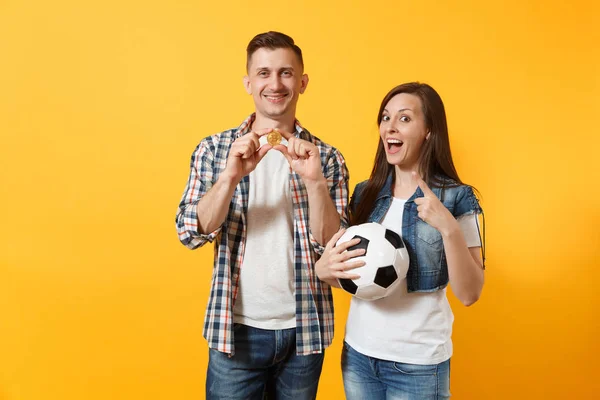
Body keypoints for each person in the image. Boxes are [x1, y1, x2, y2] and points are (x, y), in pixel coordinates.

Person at [175, 31, 349, 400]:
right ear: (248, 83)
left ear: (302, 82)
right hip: (235, 329)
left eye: (286, 73)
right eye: (264, 73)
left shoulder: (327, 158)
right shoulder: (215, 149)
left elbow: (335, 247)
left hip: (305, 330)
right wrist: (229, 177)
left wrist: (316, 183)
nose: (275, 84)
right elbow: (190, 231)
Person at [315, 82, 485, 399]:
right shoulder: (365, 193)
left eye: (404, 118)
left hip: (418, 365)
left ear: (429, 131)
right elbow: (355, 277)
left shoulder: (458, 198)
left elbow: (470, 293)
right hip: (358, 355)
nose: (390, 127)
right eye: (385, 117)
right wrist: (325, 272)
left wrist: (448, 228)